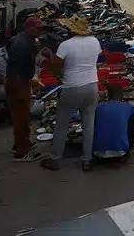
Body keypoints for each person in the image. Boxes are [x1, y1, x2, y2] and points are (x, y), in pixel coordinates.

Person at [42, 16, 102, 172]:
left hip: (72, 87)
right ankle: (87, 160)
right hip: (92, 85)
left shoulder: (66, 45)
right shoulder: (95, 41)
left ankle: (55, 160)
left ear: (70, 30)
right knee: (89, 124)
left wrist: (50, 56)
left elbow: (55, 68)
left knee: (62, 124)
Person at [6, 16, 46, 162]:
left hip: (15, 80)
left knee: (19, 116)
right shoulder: (25, 45)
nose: (41, 31)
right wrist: (32, 82)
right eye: (38, 28)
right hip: (19, 83)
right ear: (30, 29)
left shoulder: (19, 39)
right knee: (21, 117)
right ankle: (22, 153)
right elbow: (24, 68)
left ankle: (20, 144)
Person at [91, 82, 134, 163]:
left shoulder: (99, 106)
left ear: (108, 95)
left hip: (97, 152)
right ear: (121, 95)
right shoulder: (127, 106)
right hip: (121, 153)